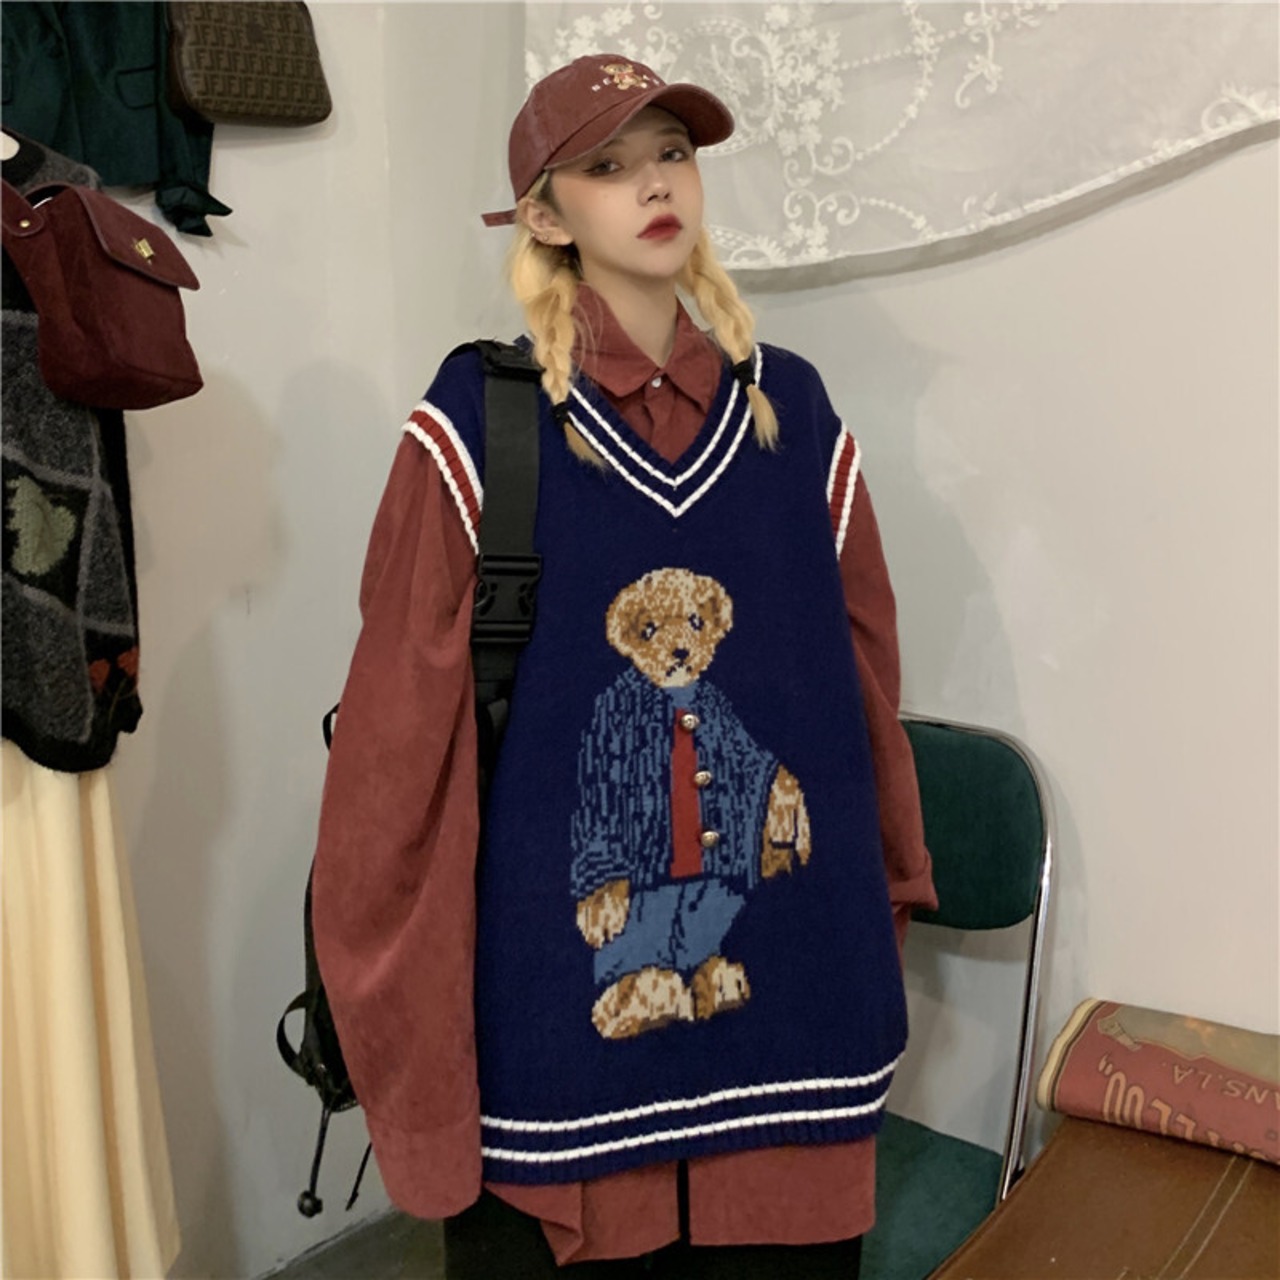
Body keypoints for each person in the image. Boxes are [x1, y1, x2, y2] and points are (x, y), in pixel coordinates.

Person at [311, 54, 936, 1278]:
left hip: (789, 1015)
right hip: (555, 1033)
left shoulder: (795, 414)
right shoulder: (477, 423)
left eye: (671, 154)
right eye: (606, 166)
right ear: (545, 217)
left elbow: (864, 685)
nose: (654, 185)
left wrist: (882, 888)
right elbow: (395, 750)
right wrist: (405, 1019)